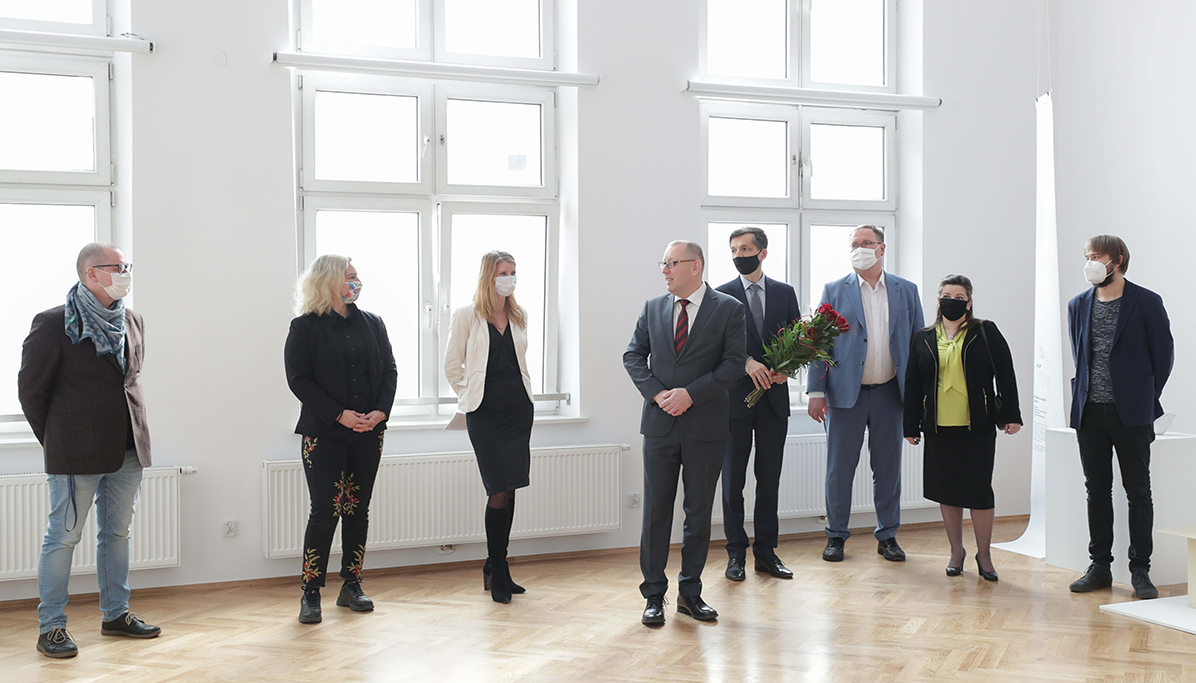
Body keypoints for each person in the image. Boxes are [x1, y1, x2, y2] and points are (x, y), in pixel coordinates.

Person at [18, 242, 160, 659]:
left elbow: (130, 379)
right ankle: (52, 627)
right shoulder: (53, 323)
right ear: (90, 274)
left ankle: (116, 614)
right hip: (75, 453)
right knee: (63, 538)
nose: (124, 273)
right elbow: (31, 391)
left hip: (128, 448)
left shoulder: (132, 319)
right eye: (116, 267)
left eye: (127, 266)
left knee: (116, 534)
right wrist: (58, 439)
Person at [623, 240, 746, 625]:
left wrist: (690, 394)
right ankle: (653, 595)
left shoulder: (729, 309)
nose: (664, 270)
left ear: (695, 266)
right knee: (656, 512)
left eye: (671, 263)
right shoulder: (653, 307)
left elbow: (734, 364)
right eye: (663, 263)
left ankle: (690, 593)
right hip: (659, 425)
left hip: (706, 427)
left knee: (698, 513)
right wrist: (658, 394)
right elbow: (633, 356)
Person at [285, 255, 397, 624]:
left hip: (368, 431)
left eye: (356, 276)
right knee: (324, 511)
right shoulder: (304, 327)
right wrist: (339, 414)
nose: (356, 281)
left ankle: (352, 584)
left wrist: (379, 412)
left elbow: (390, 371)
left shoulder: (373, 324)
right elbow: (299, 380)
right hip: (324, 433)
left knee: (357, 509)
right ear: (330, 281)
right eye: (350, 276)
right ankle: (311, 591)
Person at [807, 225, 924, 563]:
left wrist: (918, 396)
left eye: (866, 243)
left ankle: (887, 536)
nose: (859, 249)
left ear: (881, 248)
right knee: (839, 471)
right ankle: (836, 535)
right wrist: (815, 390)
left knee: (888, 470)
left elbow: (918, 343)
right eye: (854, 245)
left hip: (891, 394)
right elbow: (818, 342)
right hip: (844, 395)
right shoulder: (834, 290)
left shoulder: (906, 290)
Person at [1066, 235, 1172, 600]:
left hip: (1132, 413)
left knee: (1138, 492)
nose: (1090, 262)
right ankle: (1100, 566)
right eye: (1087, 256)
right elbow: (1080, 354)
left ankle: (1140, 569)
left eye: (1097, 256)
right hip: (1089, 412)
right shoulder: (1078, 304)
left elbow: (1163, 356)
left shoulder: (1146, 301)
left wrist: (1145, 396)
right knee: (1096, 490)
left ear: (1118, 260)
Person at [903, 275, 1022, 581]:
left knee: (980, 493)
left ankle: (985, 555)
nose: (952, 301)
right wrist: (910, 425)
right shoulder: (923, 337)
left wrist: (1012, 414)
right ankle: (957, 552)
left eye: (959, 297)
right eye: (947, 296)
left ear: (969, 303)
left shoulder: (985, 331)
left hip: (977, 426)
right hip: (939, 427)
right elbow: (913, 383)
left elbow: (1005, 374)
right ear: (938, 300)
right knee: (948, 492)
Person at [444, 251, 536, 604]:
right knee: (497, 488)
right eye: (502, 272)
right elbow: (452, 365)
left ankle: (498, 563)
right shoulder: (467, 315)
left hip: (518, 411)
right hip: (485, 415)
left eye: (512, 272)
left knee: (510, 488)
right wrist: (469, 395)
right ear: (488, 276)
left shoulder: (519, 315)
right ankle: (496, 567)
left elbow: (519, 362)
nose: (509, 278)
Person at [715, 227, 801, 581]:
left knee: (769, 480)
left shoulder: (784, 293)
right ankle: (735, 554)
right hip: (734, 403)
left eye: (745, 249)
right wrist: (746, 363)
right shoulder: (721, 294)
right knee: (732, 482)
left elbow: (798, 340)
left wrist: (787, 369)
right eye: (734, 250)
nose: (739, 255)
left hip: (774, 403)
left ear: (762, 253)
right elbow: (717, 347)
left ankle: (766, 553)